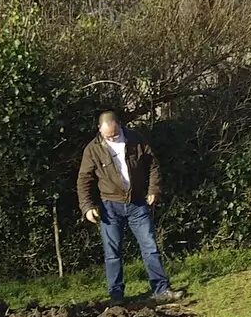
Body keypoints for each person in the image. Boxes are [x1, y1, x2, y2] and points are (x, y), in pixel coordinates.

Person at [78, 110, 183, 304]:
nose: (111, 138)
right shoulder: (92, 149)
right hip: (109, 206)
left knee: (150, 247)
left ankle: (161, 289)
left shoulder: (136, 140)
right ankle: (116, 296)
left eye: (114, 135)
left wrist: (153, 189)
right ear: (100, 130)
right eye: (106, 136)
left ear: (120, 126)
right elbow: (84, 179)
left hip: (137, 203)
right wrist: (87, 206)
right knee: (112, 254)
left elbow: (153, 165)